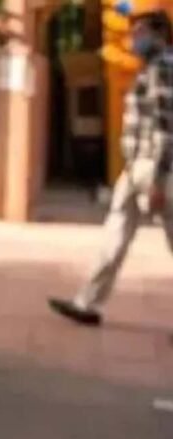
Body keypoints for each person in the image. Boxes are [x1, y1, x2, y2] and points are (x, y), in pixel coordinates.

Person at [49, 1, 173, 326]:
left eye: (140, 33)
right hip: (136, 168)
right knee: (116, 231)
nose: (134, 39)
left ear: (159, 35)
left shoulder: (163, 68)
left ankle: (88, 301)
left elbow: (166, 127)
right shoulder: (149, 68)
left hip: (155, 166)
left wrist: (159, 180)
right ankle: (87, 302)